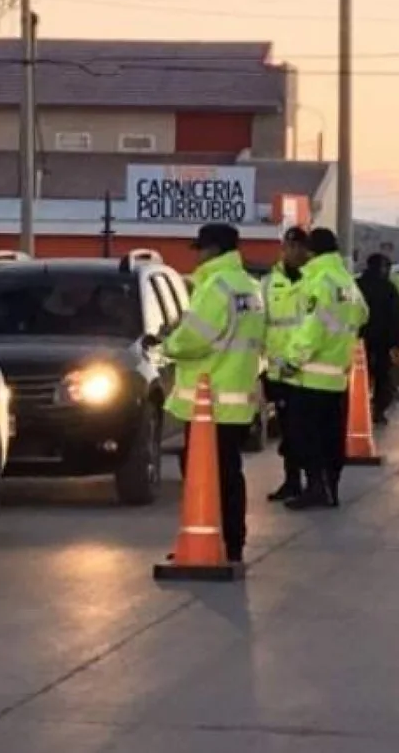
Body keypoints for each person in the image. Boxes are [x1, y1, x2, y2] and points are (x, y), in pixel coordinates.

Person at [162, 223, 266, 564]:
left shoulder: (215, 287)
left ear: (214, 249)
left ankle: (204, 540)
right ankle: (231, 544)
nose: (198, 255)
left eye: (201, 249)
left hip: (210, 403)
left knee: (204, 477)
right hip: (237, 400)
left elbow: (193, 338)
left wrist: (167, 345)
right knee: (229, 475)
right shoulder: (250, 287)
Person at [275, 228, 369, 509]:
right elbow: (363, 313)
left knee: (306, 437)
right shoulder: (345, 281)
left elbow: (312, 329)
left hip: (311, 375)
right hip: (336, 374)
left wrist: (292, 360)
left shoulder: (318, 281)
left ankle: (316, 487)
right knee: (331, 438)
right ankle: (331, 488)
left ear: (311, 251)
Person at [262, 227, 310, 503]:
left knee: (307, 429)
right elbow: (260, 324)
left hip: (308, 369)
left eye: (298, 248)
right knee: (288, 430)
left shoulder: (314, 280)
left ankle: (313, 480)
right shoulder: (269, 283)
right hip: (280, 370)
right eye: (288, 247)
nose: (293, 253)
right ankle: (292, 480)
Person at [356, 253, 399, 425]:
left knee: (359, 378)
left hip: (359, 341)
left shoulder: (357, 285)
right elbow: (397, 317)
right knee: (383, 378)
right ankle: (379, 411)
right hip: (382, 342)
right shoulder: (389, 288)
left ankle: (359, 410)